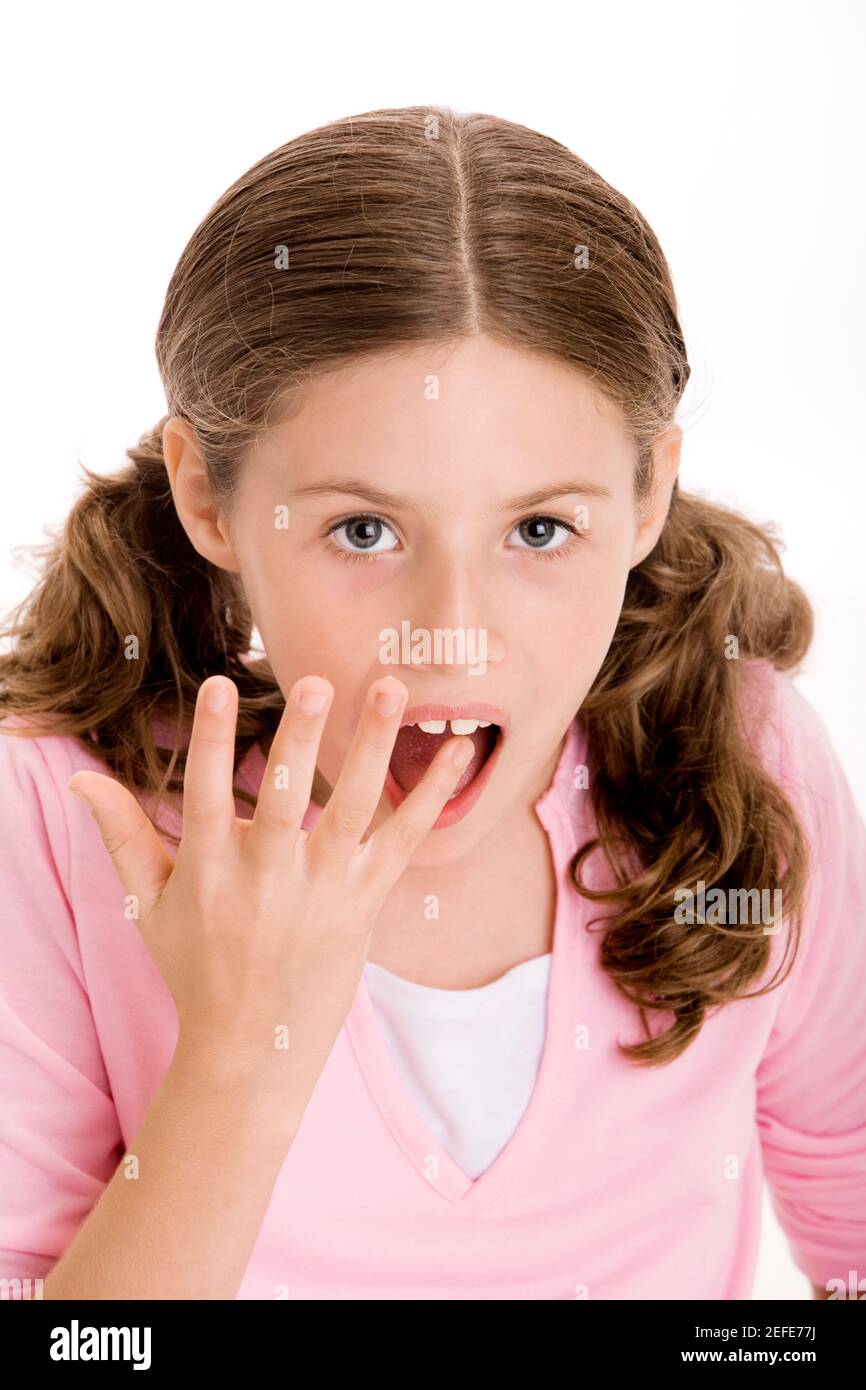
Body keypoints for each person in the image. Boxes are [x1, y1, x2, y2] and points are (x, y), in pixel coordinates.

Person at [0, 105, 863, 1302]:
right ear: (208, 497)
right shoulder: (64, 809)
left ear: (647, 490)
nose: (452, 627)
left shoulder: (744, 756)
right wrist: (241, 1053)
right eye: (363, 529)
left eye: (539, 529)